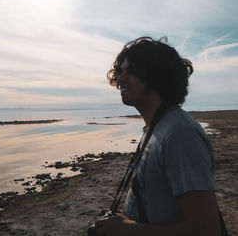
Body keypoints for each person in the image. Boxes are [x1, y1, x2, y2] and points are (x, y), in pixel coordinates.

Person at [94, 37, 222, 236]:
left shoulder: (180, 135)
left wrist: (127, 229)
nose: (121, 79)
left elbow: (206, 231)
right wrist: (124, 221)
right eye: (120, 72)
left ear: (156, 76)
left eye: (132, 71)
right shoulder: (156, 128)